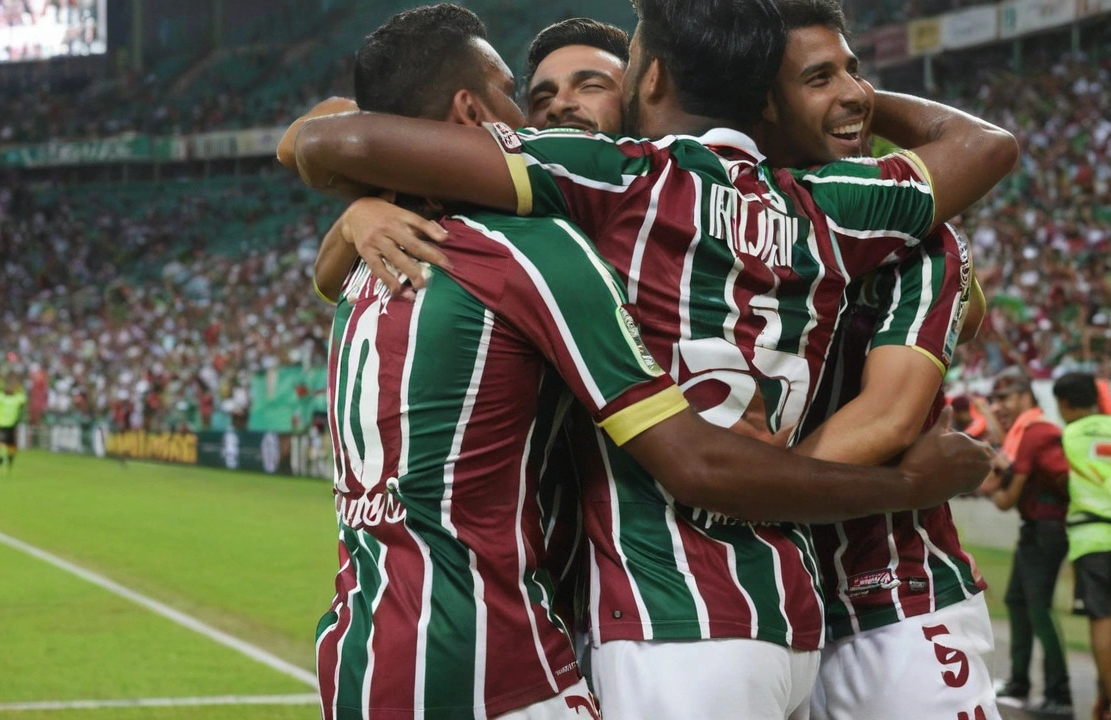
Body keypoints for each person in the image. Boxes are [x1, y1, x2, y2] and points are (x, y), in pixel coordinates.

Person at [290, 1, 1018, 716]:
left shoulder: (605, 186)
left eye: (596, 82)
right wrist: (363, 213)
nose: (557, 109)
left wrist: (811, 86)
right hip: (728, 610)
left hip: (687, 616)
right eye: (534, 95)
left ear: (650, 85)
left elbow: (337, 137)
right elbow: (985, 146)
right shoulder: (833, 208)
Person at [747, 2, 997, 718]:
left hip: (890, 605)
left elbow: (887, 420)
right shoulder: (692, 220)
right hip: (747, 614)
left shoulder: (918, 236)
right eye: (819, 77)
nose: (855, 92)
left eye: (854, 70)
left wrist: (737, 504)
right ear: (760, 102)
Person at [983, 366, 1074, 715]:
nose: (1000, 405)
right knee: (1018, 603)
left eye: (1005, 397)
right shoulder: (1024, 433)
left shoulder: (1036, 433)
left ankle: (1060, 695)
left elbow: (1005, 500)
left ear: (1025, 396)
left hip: (1046, 530)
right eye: (996, 399)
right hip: (1035, 529)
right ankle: (1019, 683)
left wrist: (987, 479)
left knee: (1039, 610)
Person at [1055, 373, 1111, 720]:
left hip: (1093, 536)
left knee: (1100, 616)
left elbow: (1059, 478)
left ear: (1064, 404)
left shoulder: (1069, 434)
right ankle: (1109, 693)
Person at [0, 374, 27, 474]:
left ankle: (5, 462)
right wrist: (18, 386)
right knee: (6, 445)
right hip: (6, 425)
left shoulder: (1, 397)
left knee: (6, 445)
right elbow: (23, 396)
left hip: (6, 425)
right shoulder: (15, 398)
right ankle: (5, 462)